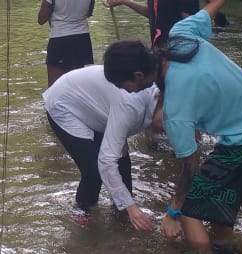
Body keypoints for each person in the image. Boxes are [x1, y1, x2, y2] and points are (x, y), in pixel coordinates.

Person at [104, 0, 242, 254]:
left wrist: (172, 211)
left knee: (191, 210)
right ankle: (224, 249)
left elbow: (190, 167)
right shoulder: (182, 34)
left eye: (124, 87)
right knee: (226, 193)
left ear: (137, 76)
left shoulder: (177, 112)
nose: (125, 93)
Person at [43, 64, 160, 230]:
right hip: (65, 103)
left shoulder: (154, 93)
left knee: (123, 162)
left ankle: (121, 213)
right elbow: (106, 162)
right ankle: (82, 209)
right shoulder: (131, 106)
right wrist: (132, 208)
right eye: (166, 123)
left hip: (100, 106)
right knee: (93, 170)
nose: (165, 130)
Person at [38, 0, 96, 86]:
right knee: (76, 86)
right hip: (82, 40)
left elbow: (41, 19)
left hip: (60, 41)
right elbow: (88, 13)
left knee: (54, 88)